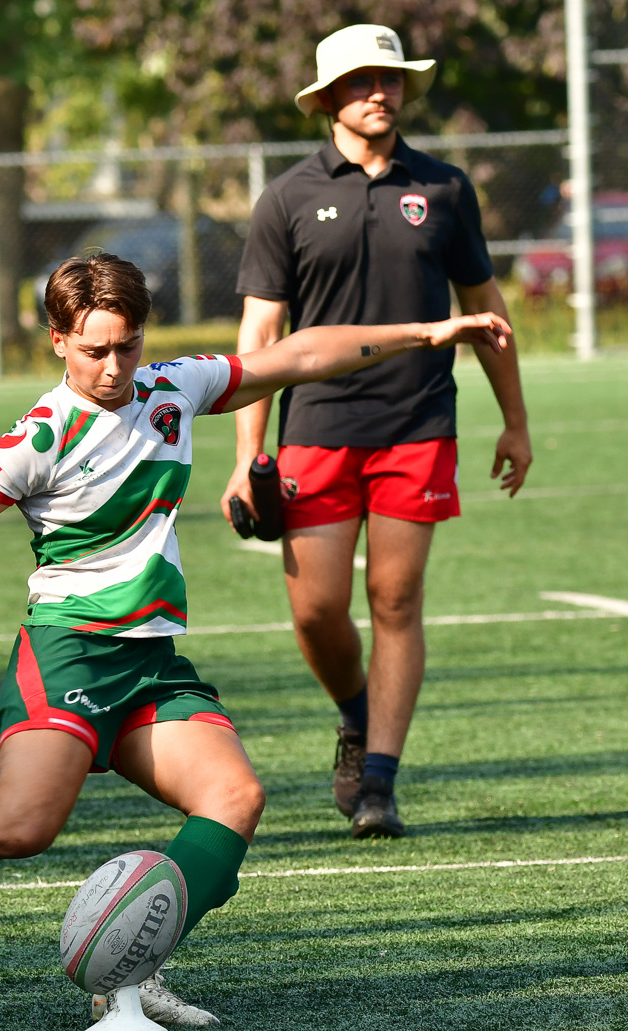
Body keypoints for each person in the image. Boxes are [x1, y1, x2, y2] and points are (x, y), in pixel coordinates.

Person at [0, 252, 510, 1025]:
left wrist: (428, 332)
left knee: (235, 799)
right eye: (95, 349)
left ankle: (135, 968)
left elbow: (301, 354)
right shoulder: (40, 437)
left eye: (127, 346)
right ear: (58, 339)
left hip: (151, 665)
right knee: (18, 829)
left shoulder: (173, 387)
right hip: (68, 652)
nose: (113, 367)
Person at [223, 23, 534, 840]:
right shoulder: (287, 197)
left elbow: (488, 313)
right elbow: (260, 337)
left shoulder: (446, 188)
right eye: (361, 81)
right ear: (327, 98)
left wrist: (515, 421)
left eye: (391, 79)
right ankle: (358, 717)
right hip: (316, 427)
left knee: (396, 599)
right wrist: (244, 454)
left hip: (419, 423)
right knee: (316, 613)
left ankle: (379, 786)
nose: (380, 92)